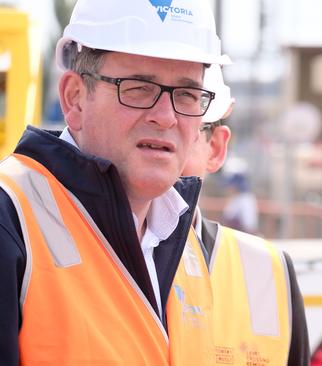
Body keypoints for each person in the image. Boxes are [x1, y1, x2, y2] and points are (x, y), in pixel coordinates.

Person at [0, 0, 228, 364]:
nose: (166, 117)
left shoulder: (186, 245)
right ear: (74, 99)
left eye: (186, 94)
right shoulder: (10, 221)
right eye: (139, 87)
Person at [181, 65, 310, 365]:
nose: (161, 120)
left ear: (215, 147)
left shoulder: (268, 272)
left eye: (184, 109)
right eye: (137, 92)